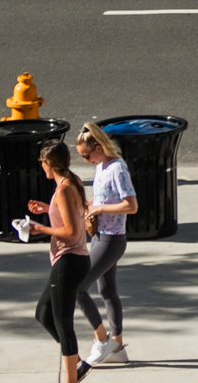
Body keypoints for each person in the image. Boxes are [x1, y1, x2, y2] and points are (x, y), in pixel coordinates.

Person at [26, 140, 93, 383]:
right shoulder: (71, 181)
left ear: (49, 163)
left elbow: (72, 232)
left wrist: (39, 228)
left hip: (69, 261)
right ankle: (78, 365)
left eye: (42, 161)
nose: (41, 165)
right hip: (70, 261)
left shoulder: (64, 189)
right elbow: (73, 212)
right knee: (43, 314)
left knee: (64, 324)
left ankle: (71, 379)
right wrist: (48, 208)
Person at [74, 122, 136, 366]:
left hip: (112, 239)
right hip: (100, 236)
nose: (86, 160)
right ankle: (118, 347)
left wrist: (99, 207)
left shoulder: (117, 168)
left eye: (86, 155)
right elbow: (101, 197)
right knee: (107, 292)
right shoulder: (101, 166)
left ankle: (103, 341)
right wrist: (89, 206)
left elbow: (131, 205)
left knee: (77, 288)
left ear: (98, 147)